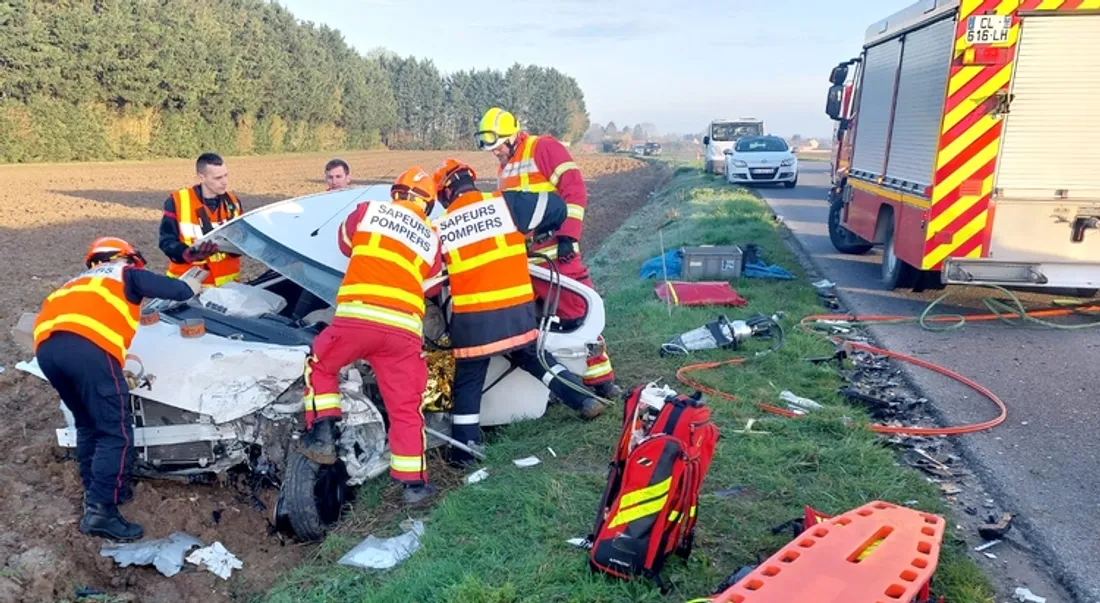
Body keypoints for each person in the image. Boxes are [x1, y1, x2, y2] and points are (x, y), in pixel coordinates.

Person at [431, 159, 605, 466]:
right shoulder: (505, 204)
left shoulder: (441, 226)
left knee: (468, 381)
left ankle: (464, 451)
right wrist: (537, 236)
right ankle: (584, 399)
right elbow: (556, 206)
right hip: (516, 313)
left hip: (475, 323)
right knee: (537, 360)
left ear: (445, 194)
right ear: (471, 179)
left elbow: (432, 281)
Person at [32, 237, 202, 541]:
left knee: (87, 425)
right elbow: (177, 290)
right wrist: (194, 284)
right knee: (116, 432)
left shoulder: (72, 284)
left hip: (48, 352)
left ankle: (99, 489)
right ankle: (101, 512)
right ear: (127, 258)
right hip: (90, 350)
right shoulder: (125, 274)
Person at [297, 167, 442, 505]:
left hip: (358, 319)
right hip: (403, 330)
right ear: (428, 204)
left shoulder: (368, 211)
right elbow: (432, 280)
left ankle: (322, 436)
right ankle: (414, 486)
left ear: (395, 193)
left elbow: (345, 244)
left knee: (321, 365)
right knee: (406, 407)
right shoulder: (431, 234)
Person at [476, 107, 622, 399]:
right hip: (525, 260)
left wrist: (568, 235)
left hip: (557, 254)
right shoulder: (505, 168)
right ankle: (555, 383)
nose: (496, 153)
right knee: (530, 324)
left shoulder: (543, 148)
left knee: (579, 314)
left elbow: (575, 190)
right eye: (492, 149)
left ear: (514, 136)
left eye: (499, 146)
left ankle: (601, 381)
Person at [158, 152, 243, 288]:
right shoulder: (177, 202)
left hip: (227, 288)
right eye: (218, 178)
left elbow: (242, 240)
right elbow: (166, 242)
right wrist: (188, 254)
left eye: (226, 175)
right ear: (201, 178)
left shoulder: (234, 203)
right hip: (187, 287)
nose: (225, 182)